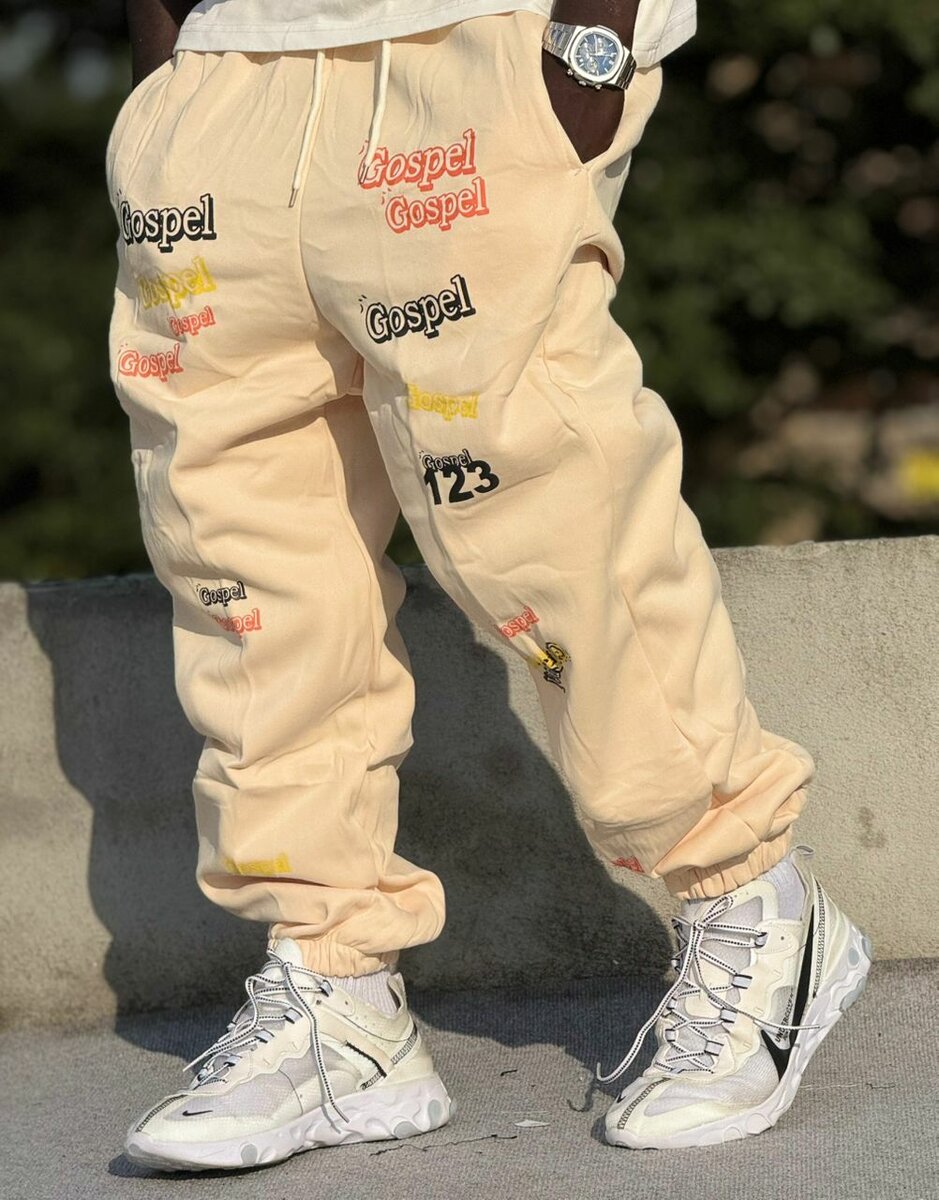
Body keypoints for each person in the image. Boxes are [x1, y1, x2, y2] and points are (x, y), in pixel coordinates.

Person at [108, 0, 871, 1172]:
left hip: (465, 51)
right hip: (221, 87)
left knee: (546, 514)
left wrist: (586, 53)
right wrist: (168, 79)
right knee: (241, 559)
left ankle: (754, 904)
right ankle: (336, 994)